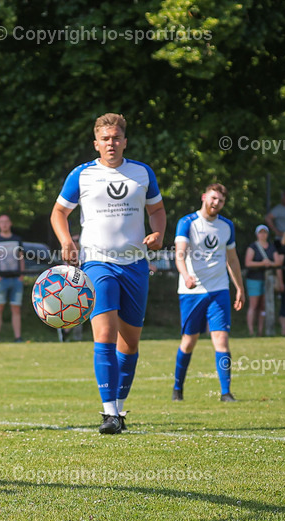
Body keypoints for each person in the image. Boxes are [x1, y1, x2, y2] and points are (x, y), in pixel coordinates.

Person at [50, 112, 166, 434]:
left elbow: (156, 210)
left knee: (129, 343)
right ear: (96, 144)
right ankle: (109, 413)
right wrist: (65, 241)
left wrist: (157, 234)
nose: (111, 143)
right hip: (97, 263)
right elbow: (59, 212)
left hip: (136, 265)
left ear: (124, 141)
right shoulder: (82, 175)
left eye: (116, 138)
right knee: (104, 334)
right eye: (105, 139)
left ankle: (119, 405)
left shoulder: (142, 173)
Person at [171, 184, 245, 402]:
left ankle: (226, 393)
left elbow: (232, 259)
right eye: (213, 198)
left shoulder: (226, 226)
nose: (216, 203)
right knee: (189, 341)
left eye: (220, 201)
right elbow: (180, 254)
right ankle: (177, 388)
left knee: (221, 340)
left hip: (219, 290)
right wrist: (185, 275)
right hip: (191, 292)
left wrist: (239, 288)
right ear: (204, 197)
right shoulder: (187, 223)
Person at [0, 215, 25, 343]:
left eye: (6, 222)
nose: (4, 224)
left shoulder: (17, 239)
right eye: (1, 222)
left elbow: (21, 257)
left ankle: (18, 337)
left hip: (16, 279)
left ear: (10, 223)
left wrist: (21, 274)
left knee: (16, 309)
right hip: (1, 280)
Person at [243, 224, 283, 336]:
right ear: (257, 234)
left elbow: (278, 262)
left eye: (264, 232)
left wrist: (270, 263)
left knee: (263, 306)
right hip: (254, 279)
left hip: (267, 280)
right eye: (260, 232)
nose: (262, 234)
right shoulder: (253, 247)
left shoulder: (271, 247)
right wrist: (262, 263)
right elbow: (248, 263)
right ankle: (251, 331)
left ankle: (261, 331)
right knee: (253, 305)